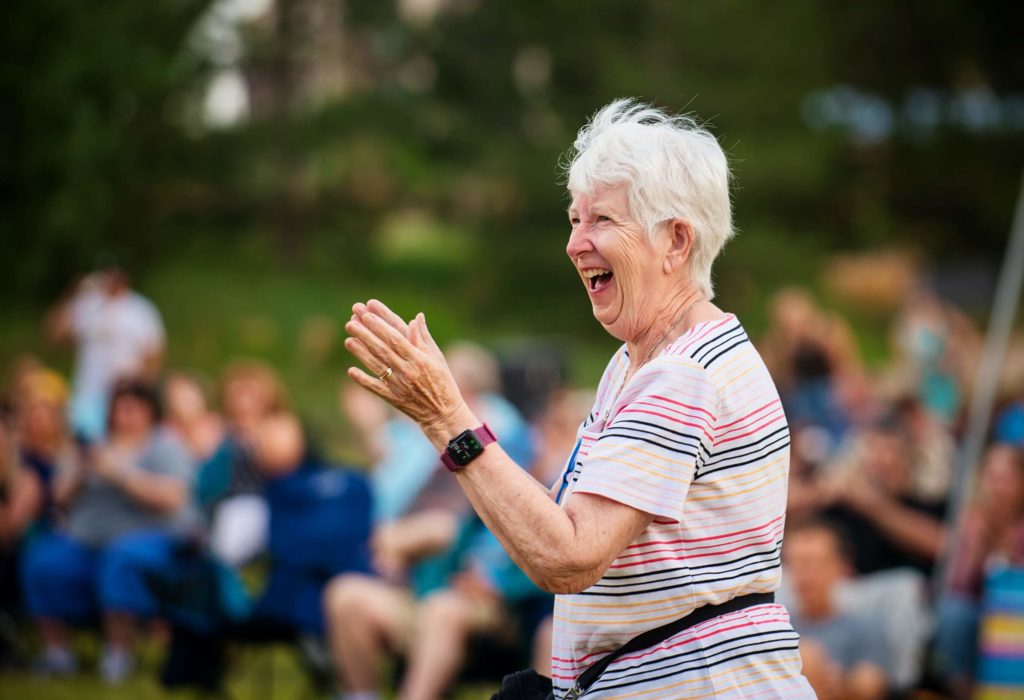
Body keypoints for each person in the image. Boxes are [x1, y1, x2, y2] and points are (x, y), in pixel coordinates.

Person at [342, 100, 813, 698]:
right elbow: (565, 528)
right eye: (574, 219)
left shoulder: (681, 377)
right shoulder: (639, 362)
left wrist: (445, 417)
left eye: (603, 222)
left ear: (675, 241)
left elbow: (568, 557)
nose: (575, 243)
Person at [21, 378, 196, 682]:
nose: (126, 415)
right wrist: (80, 470)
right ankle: (59, 653)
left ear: (150, 411)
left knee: (120, 560)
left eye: (135, 408)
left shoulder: (164, 445)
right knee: (43, 561)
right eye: (121, 408)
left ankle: (119, 655)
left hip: (150, 537)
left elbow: (173, 498)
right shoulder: (90, 447)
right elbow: (58, 498)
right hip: (85, 538)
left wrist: (120, 474)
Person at [935, 443, 1024, 698]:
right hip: (980, 612)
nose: (998, 486)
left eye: (1006, 478)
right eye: (992, 477)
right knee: (953, 613)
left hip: (1017, 615)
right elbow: (960, 585)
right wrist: (983, 545)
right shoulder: (973, 522)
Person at [48, 264, 165, 443]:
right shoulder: (86, 304)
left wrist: (142, 390)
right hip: (88, 393)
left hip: (125, 395)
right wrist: (72, 294)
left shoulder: (140, 309)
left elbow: (155, 353)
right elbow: (56, 337)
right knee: (85, 444)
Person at [783, 520, 892, 700]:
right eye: (797, 563)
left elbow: (872, 685)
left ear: (840, 565)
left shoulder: (865, 624)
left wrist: (840, 683)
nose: (805, 574)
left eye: (814, 562)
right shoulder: (777, 626)